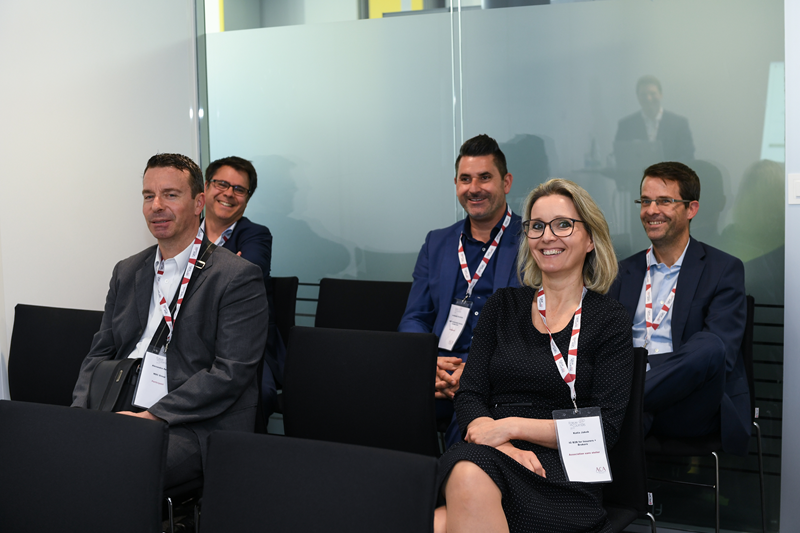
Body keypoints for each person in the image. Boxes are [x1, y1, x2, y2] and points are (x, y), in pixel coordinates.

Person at [435, 179, 633, 533]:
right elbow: (470, 395)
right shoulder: (502, 306)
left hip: (564, 470)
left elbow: (603, 429)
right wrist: (505, 445)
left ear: (590, 239)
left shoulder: (609, 318)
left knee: (439, 519)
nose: (547, 236)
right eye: (537, 226)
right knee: (466, 474)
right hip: (492, 453)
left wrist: (510, 426)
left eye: (563, 224)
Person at [72, 153, 268, 487]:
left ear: (198, 203)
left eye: (170, 195)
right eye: (148, 196)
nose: (156, 206)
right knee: (52, 451)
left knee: (112, 469)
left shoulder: (237, 277)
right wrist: (78, 413)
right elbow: (99, 352)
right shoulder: (127, 270)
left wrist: (152, 416)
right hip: (119, 400)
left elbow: (229, 374)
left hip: (193, 420)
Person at [608, 162, 751, 455]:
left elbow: (719, 359)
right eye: (645, 201)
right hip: (635, 398)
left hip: (690, 401)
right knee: (633, 411)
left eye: (664, 201)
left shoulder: (723, 269)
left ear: (691, 209)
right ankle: (632, 408)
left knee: (710, 346)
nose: (651, 210)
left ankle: (626, 402)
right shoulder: (622, 273)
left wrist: (646, 373)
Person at [398, 134, 522, 448]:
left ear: (506, 182)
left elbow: (531, 329)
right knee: (385, 406)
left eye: (485, 177)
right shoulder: (437, 242)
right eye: (465, 179)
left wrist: (475, 372)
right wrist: (428, 363)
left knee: (467, 422)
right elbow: (415, 317)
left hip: (496, 377)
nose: (474, 188)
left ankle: (449, 481)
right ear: (456, 184)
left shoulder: (531, 240)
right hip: (440, 370)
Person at [203, 156, 281, 417]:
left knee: (260, 395)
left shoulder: (257, 235)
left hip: (245, 343)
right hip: (193, 338)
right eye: (221, 184)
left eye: (239, 189)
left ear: (247, 198)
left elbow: (248, 274)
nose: (228, 193)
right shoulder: (186, 232)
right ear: (206, 187)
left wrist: (196, 269)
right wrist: (228, 265)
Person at [615, 75, 695, 163]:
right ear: (637, 97)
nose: (648, 98)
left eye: (652, 93)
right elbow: (620, 157)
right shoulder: (626, 126)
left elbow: (687, 156)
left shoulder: (679, 124)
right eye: (643, 94)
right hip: (637, 173)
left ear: (661, 95)